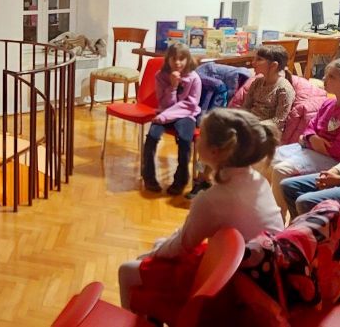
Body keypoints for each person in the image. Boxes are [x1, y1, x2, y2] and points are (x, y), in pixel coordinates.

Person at [118, 109, 283, 321]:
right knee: (161, 250)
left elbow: (182, 245)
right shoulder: (258, 180)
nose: (197, 138)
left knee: (127, 270)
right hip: (259, 274)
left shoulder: (212, 199)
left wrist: (152, 254)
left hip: (236, 289)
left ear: (215, 151)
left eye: (202, 135)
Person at [187, 44, 296, 199]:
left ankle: (227, 185)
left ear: (273, 65)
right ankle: (203, 179)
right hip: (247, 126)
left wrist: (251, 126)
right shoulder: (257, 82)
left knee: (229, 143)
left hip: (264, 132)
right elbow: (245, 108)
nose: (253, 63)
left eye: (259, 59)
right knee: (214, 137)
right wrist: (236, 121)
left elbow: (279, 120)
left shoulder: (284, 89)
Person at [268, 58, 340, 216]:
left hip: (335, 160)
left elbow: (339, 151)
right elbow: (310, 128)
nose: (324, 78)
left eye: (331, 76)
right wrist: (311, 139)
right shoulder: (329, 103)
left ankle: (278, 217)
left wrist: (307, 140)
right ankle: (268, 210)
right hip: (313, 150)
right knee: (268, 158)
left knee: (281, 169)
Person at [142, 43, 201, 195]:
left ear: (188, 60)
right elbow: (164, 104)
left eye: (181, 59)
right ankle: (148, 176)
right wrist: (173, 87)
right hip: (165, 112)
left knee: (185, 140)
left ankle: (181, 179)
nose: (177, 63)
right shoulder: (160, 76)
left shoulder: (194, 78)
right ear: (168, 59)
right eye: (174, 59)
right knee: (152, 137)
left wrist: (164, 117)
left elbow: (190, 105)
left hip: (185, 114)